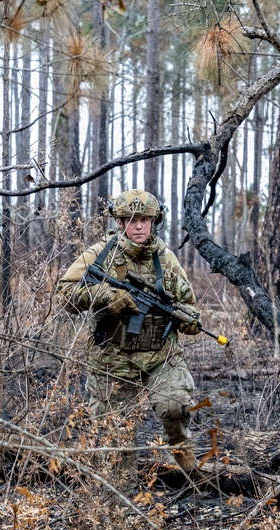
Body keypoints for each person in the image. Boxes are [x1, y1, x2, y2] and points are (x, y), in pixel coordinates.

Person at [57, 189, 202, 486]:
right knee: (115, 433)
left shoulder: (165, 258)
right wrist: (104, 295)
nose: (138, 226)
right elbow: (65, 293)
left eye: (145, 220)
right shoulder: (100, 254)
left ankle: (191, 470)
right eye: (131, 219)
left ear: (154, 221)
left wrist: (188, 320)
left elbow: (188, 303)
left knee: (175, 406)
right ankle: (120, 505)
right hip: (113, 357)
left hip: (161, 353)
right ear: (120, 222)